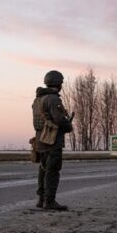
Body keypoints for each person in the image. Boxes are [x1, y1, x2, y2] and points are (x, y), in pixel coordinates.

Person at [32, 70, 74, 210]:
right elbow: (59, 119)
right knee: (52, 170)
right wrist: (68, 126)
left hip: (40, 141)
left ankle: (41, 199)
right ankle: (49, 201)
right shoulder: (53, 99)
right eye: (61, 83)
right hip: (52, 141)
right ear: (58, 83)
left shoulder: (37, 100)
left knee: (43, 169)